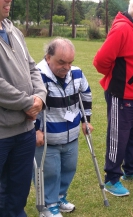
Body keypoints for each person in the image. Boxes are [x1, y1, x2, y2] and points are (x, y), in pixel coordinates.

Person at [93, 0, 133, 196]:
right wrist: (120, 77)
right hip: (122, 94)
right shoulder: (122, 29)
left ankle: (132, 170)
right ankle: (112, 178)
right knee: (118, 137)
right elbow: (100, 61)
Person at [0, 0, 46, 217]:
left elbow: (32, 68)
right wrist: (28, 102)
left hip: (25, 130)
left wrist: (40, 96)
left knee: (18, 188)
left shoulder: (13, 30)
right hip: (2, 132)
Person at [34, 38, 93, 217]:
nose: (67, 67)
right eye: (61, 62)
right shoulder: (37, 75)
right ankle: (47, 205)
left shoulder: (76, 74)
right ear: (48, 57)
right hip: (47, 138)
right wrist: (36, 129)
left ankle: (59, 197)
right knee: (49, 172)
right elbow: (32, 106)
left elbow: (86, 95)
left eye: (70, 62)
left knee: (69, 168)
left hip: (71, 134)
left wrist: (86, 120)